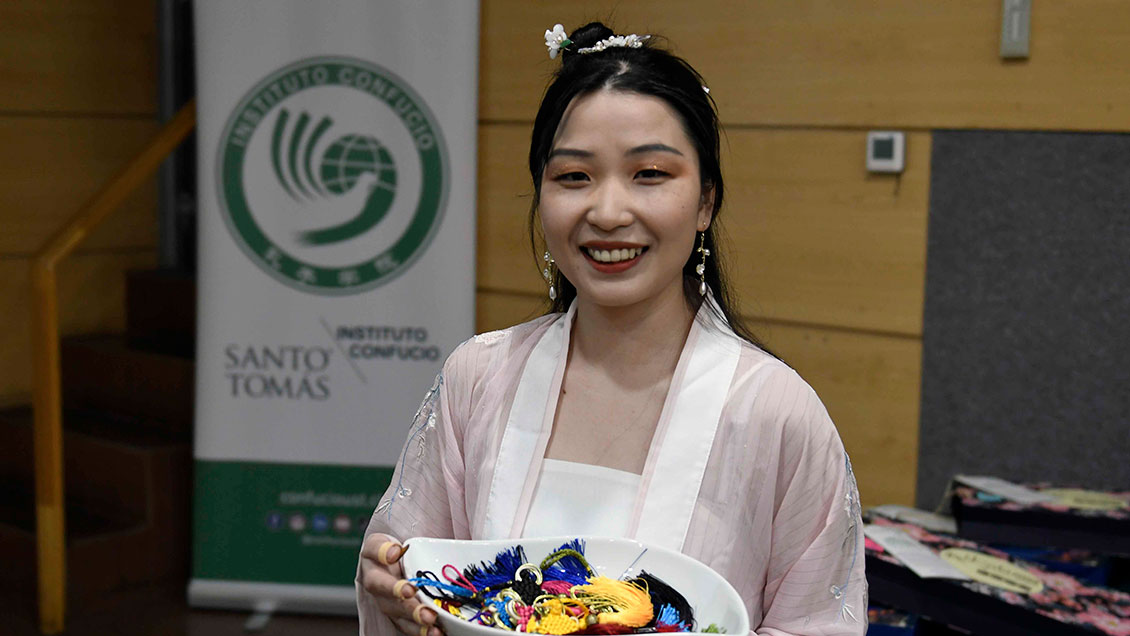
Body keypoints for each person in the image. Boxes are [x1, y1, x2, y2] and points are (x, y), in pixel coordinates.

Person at [357, 21, 866, 636]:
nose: (607, 212)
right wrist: (390, 589)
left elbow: (818, 622)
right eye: (574, 177)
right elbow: (417, 571)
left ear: (706, 200)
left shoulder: (778, 414)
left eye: (650, 174)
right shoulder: (478, 377)